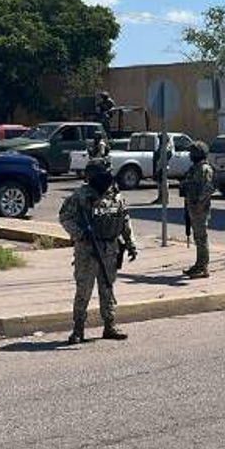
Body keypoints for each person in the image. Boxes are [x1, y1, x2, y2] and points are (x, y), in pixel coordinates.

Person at [59, 159, 136, 345]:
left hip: (110, 250)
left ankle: (109, 325)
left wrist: (131, 243)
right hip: (88, 251)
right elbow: (65, 217)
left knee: (107, 288)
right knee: (83, 291)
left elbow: (124, 219)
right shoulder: (80, 196)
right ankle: (78, 329)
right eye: (105, 173)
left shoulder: (115, 195)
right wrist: (81, 234)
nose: (109, 176)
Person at [180, 141, 215, 279]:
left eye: (192, 153)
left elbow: (207, 189)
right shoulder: (195, 168)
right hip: (194, 207)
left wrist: (198, 203)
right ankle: (200, 265)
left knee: (201, 238)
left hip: (200, 208)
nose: (190, 155)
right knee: (198, 238)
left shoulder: (204, 169)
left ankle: (202, 267)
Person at [152, 132, 173, 205]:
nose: (159, 140)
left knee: (164, 184)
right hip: (160, 167)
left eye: (160, 138)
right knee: (160, 184)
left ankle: (164, 199)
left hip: (163, 167)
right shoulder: (162, 147)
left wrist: (158, 168)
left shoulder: (165, 148)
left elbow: (162, 159)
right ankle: (160, 198)